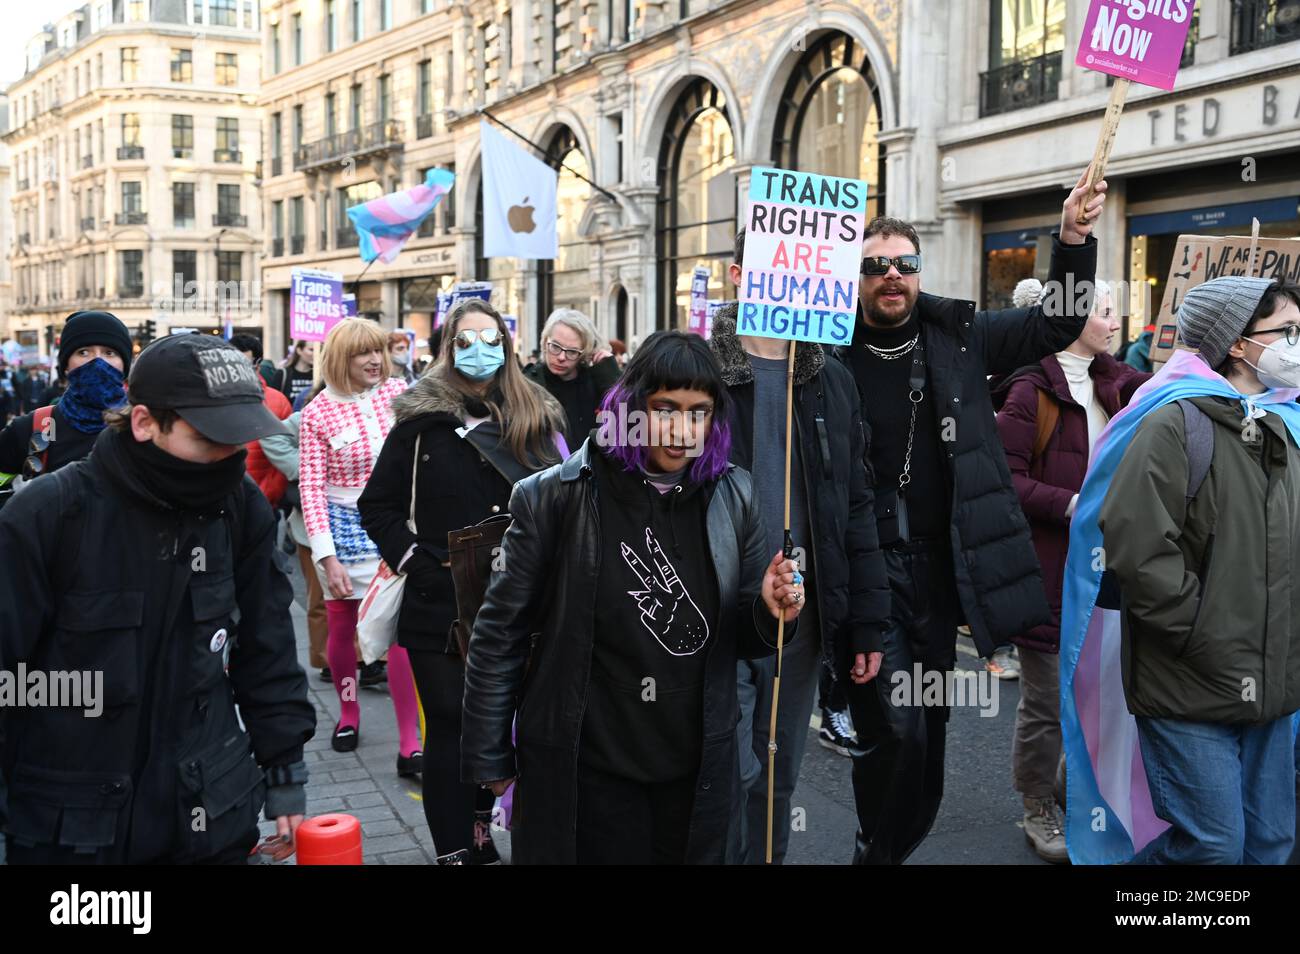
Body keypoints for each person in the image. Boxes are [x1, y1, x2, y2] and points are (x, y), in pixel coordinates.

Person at [838, 164, 1107, 864]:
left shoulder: (961, 338)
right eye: (875, 266)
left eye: (904, 263)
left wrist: (1073, 238)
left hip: (938, 570)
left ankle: (888, 840)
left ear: (920, 272)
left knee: (927, 733)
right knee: (892, 726)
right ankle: (877, 847)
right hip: (864, 569)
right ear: (856, 278)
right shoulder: (825, 353)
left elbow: (1059, 320)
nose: (891, 276)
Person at [461, 330, 806, 864]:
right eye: (665, 408)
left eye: (699, 413)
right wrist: (489, 753)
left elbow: (745, 638)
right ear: (630, 407)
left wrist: (768, 610)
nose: (682, 429)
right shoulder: (552, 496)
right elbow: (498, 635)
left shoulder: (735, 495)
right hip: (588, 771)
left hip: (694, 775)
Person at [0, 333, 315, 864]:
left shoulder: (240, 508)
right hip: (72, 828)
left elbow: (269, 648)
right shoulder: (47, 515)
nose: (230, 455)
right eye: (210, 437)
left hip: (208, 814)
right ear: (144, 422)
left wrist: (285, 770)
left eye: (240, 439)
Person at [1095, 278, 1300, 864]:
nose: (1297, 344)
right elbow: (1137, 548)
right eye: (1286, 332)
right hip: (1190, 679)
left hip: (1275, 683)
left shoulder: (1288, 423)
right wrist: (1199, 632)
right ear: (1237, 345)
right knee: (1211, 847)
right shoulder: (1174, 423)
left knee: (1269, 845)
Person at [360, 298, 567, 864]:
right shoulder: (419, 423)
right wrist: (419, 566)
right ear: (448, 349)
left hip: (522, 600)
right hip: (441, 607)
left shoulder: (538, 417)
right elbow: (376, 506)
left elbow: (565, 503)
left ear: (506, 344)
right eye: (465, 339)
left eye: (490, 337)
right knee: (452, 729)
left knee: (508, 727)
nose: (480, 349)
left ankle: (491, 833)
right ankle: (458, 849)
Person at [710, 229, 889, 864]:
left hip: (800, 620)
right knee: (728, 775)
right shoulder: (696, 372)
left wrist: (866, 622)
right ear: (736, 276)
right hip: (715, 615)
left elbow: (856, 508)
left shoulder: (830, 380)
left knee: (778, 781)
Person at [992, 279, 1149, 862]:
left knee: (1102, 690)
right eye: (1106, 312)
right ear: (1074, 318)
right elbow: (1000, 478)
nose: (1116, 321)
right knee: (1047, 700)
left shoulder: (1117, 380)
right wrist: (1071, 503)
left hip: (1113, 569)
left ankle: (1069, 785)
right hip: (1049, 571)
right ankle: (1036, 805)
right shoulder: (1029, 392)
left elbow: (1173, 394)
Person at [299, 318, 422, 772]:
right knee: (343, 631)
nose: (374, 359)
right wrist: (324, 555)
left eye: (378, 350)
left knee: (398, 635)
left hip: (396, 524)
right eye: (362, 353)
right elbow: (310, 488)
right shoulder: (318, 412)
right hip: (344, 528)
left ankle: (410, 741)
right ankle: (348, 714)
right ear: (339, 359)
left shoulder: (399, 393)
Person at [0, 311, 133, 479]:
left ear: (124, 366)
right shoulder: (29, 429)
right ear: (65, 366)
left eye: (109, 352)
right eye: (84, 352)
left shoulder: (147, 428)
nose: (98, 362)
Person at [525, 308, 622, 451]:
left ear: (584, 353)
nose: (561, 357)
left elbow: (628, 419)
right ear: (545, 342)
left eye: (572, 352)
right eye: (555, 347)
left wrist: (609, 372)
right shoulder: (529, 383)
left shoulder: (596, 380)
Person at [279, 340, 317, 406]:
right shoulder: (282, 374)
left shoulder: (318, 376)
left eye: (318, 350)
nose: (315, 353)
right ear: (299, 350)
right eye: (311, 350)